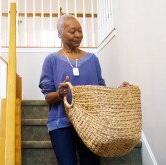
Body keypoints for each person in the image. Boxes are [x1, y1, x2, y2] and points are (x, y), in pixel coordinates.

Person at [39, 14, 129, 165]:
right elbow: (48, 96)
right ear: (60, 34)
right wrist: (60, 94)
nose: (78, 35)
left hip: (90, 124)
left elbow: (100, 90)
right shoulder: (51, 60)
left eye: (80, 31)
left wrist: (117, 91)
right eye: (72, 31)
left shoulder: (92, 59)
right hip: (61, 124)